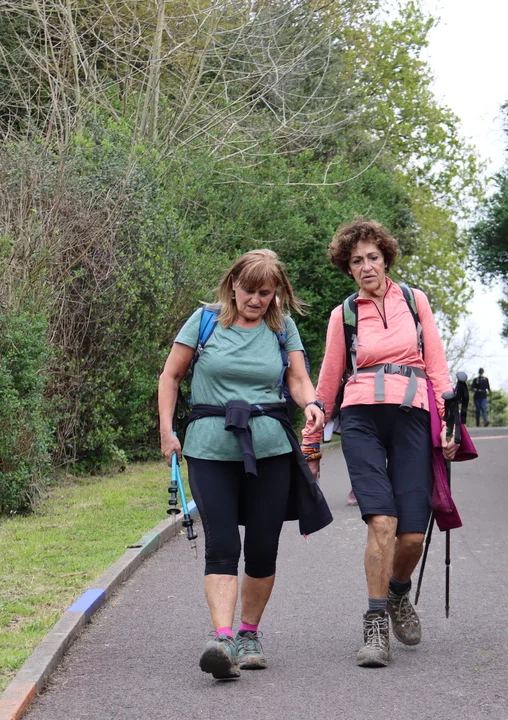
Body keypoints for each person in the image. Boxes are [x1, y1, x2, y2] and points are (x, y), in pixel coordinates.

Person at [157, 249, 328, 680]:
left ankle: (249, 634)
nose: (255, 300)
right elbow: (170, 376)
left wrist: (311, 404)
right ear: (233, 284)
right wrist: (166, 431)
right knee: (222, 545)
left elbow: (297, 377)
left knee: (262, 548)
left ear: (276, 294)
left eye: (265, 293)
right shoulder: (205, 321)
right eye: (249, 290)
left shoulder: (281, 327)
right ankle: (223, 640)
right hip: (208, 448)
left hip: (270, 449)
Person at [302, 219, 457, 668]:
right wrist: (311, 444)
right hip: (361, 420)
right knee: (382, 522)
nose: (366, 266)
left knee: (412, 536)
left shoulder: (414, 301)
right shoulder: (344, 315)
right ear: (348, 268)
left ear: (386, 258)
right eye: (357, 261)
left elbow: (437, 367)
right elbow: (328, 381)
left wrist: (448, 423)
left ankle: (397, 593)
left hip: (413, 418)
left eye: (373, 257)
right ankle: (374, 626)